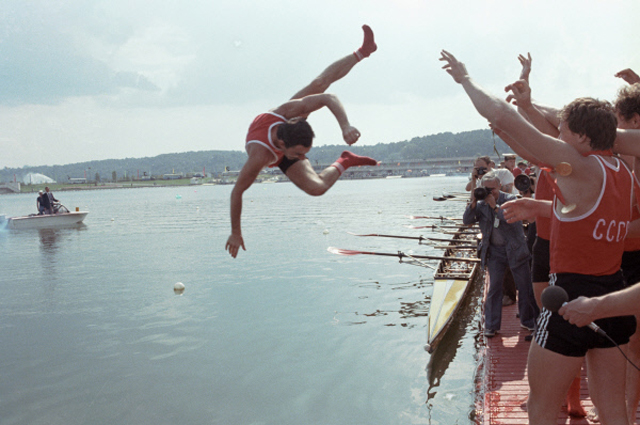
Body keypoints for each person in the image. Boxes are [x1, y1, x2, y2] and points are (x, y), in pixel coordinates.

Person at [441, 50, 636, 425]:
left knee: (541, 407)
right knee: (613, 409)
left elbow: (502, 115)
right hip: (613, 297)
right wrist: (539, 206)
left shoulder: (578, 166)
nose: (557, 134)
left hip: (568, 300)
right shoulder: (622, 172)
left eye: (562, 129)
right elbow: (583, 214)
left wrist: (465, 79)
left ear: (581, 136)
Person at [225, 25, 379, 258]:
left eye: (304, 154)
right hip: (269, 145)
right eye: (299, 155)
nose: (303, 159)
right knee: (317, 189)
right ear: (284, 147)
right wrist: (235, 232)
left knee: (320, 84)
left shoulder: (288, 113)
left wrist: (345, 126)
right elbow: (237, 192)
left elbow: (329, 97)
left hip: (283, 129)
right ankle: (345, 161)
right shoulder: (261, 156)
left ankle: (363, 51)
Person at [462, 171, 537, 337]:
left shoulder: (510, 199)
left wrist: (494, 206)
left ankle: (528, 320)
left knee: (524, 287)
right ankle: (491, 325)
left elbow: (509, 217)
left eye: (492, 189)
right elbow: (467, 220)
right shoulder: (480, 204)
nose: (490, 192)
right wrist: (473, 203)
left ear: (500, 187)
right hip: (495, 252)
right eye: (486, 189)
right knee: (494, 289)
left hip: (516, 250)